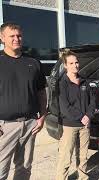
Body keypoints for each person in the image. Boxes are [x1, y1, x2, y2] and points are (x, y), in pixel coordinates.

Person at [0, 22, 47, 180]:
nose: (16, 39)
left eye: (19, 35)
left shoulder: (33, 63)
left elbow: (41, 92)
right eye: (11, 36)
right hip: (4, 126)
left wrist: (42, 117)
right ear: (2, 38)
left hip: (29, 125)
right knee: (1, 170)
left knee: (24, 168)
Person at [56, 50, 95, 180]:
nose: (75, 65)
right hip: (69, 125)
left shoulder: (84, 81)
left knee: (83, 156)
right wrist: (81, 117)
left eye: (76, 62)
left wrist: (88, 116)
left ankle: (83, 177)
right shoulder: (62, 83)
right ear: (65, 65)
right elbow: (65, 107)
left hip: (85, 124)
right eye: (71, 63)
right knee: (65, 157)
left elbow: (92, 101)